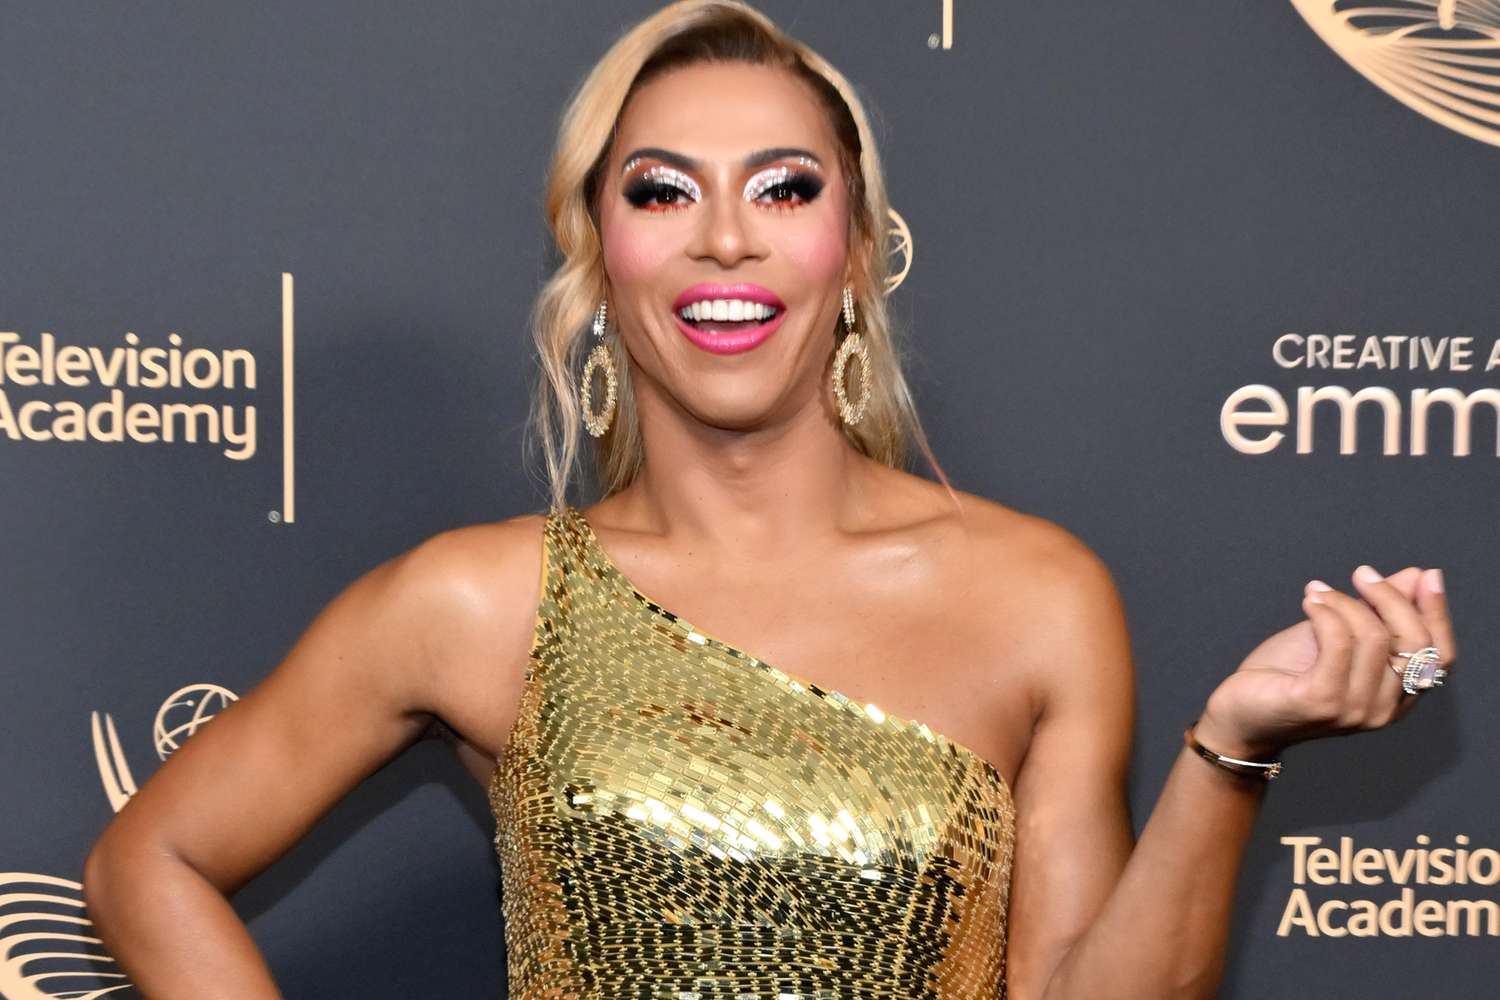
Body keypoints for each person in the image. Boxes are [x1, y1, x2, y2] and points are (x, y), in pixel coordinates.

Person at [81, 2, 1460, 997]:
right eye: (663, 190)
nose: (726, 236)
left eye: (785, 189)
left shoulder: (1036, 598)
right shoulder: (478, 601)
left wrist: (1233, 750)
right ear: (598, 251)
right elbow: (151, 863)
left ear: (855, 253)